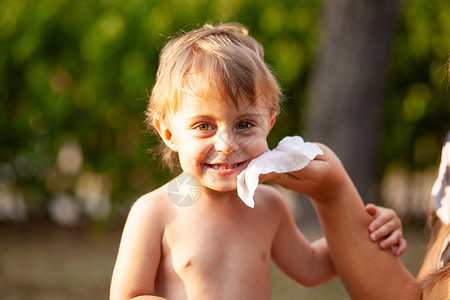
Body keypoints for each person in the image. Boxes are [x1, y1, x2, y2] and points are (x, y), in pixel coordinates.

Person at [110, 23, 407, 299]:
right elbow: (128, 295)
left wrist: (366, 231)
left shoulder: (269, 206)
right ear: (169, 133)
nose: (226, 145)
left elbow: (312, 267)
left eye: (244, 125)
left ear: (269, 124)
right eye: (204, 126)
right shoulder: (155, 211)